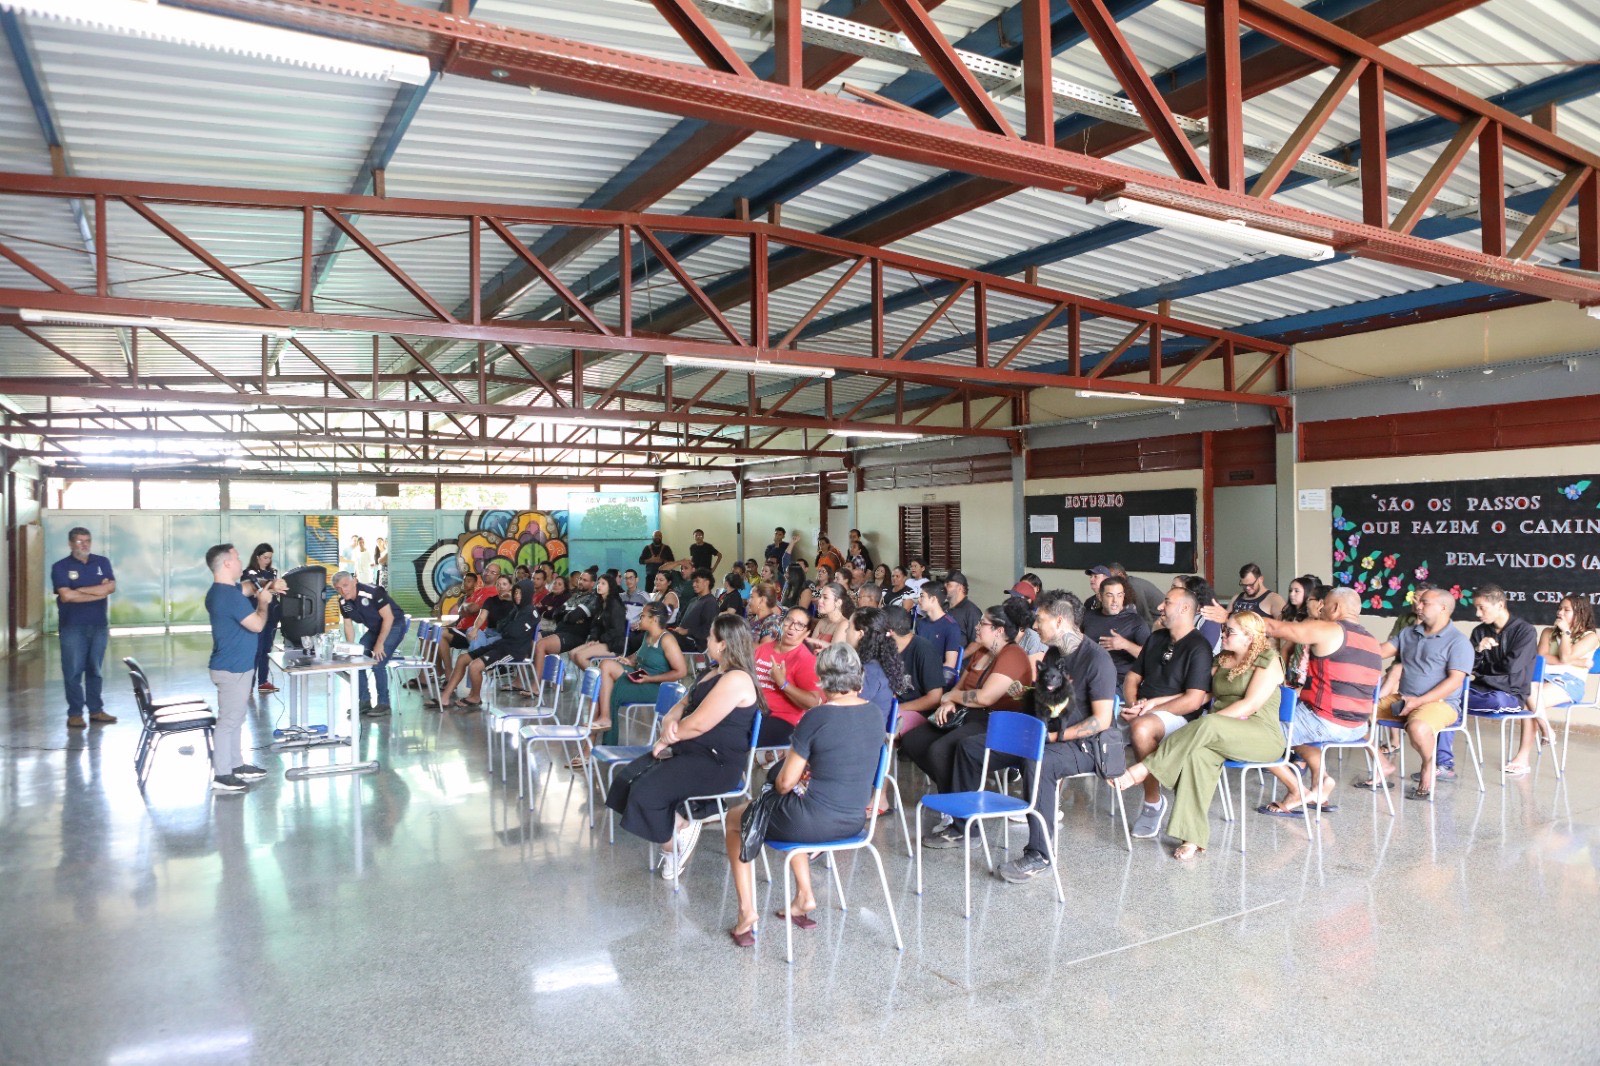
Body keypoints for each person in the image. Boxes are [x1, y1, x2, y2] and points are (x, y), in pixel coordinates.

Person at [929, 590, 1117, 880]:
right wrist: (1027, 694)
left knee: (1038, 762)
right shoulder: (1053, 654)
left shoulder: (1097, 659)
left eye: (1040, 619)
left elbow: (1101, 720)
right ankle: (964, 827)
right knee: (970, 748)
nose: (1034, 626)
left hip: (1084, 745)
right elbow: (1050, 697)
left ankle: (1040, 854)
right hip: (1045, 734)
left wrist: (1052, 738)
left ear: (1059, 621)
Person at [722, 642, 887, 945]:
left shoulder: (817, 717)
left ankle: (746, 912)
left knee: (735, 819)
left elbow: (785, 782)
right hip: (854, 821)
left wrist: (796, 773)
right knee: (792, 805)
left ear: (822, 678)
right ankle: (804, 896)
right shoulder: (875, 714)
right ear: (857, 675)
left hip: (810, 822)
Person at [1112, 611, 1286, 859]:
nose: (1223, 635)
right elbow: (1200, 695)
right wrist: (1154, 704)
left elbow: (1249, 705)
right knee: (1198, 756)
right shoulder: (1222, 659)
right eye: (1224, 629)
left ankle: (1144, 769)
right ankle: (1192, 837)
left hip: (1261, 734)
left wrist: (1212, 722)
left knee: (1209, 723)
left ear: (1249, 637)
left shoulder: (1268, 659)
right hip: (1219, 732)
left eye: (1230, 631)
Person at [606, 615, 760, 880]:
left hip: (716, 763)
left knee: (646, 793)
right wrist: (669, 719)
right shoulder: (713, 670)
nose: (706, 640)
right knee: (627, 781)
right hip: (691, 751)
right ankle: (683, 824)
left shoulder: (737, 679)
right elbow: (683, 704)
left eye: (710, 636)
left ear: (723, 644)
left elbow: (698, 724)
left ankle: (674, 845)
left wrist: (666, 739)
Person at [1257, 587, 1383, 814]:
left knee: (1255, 734)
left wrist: (1233, 618)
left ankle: (1296, 790)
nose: (1321, 609)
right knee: (1298, 733)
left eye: (1325, 605)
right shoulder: (1372, 641)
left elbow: (1276, 628)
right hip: (1358, 727)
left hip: (1325, 721)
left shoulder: (1331, 629)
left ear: (1336, 607)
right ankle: (1321, 781)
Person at [902, 601, 1034, 798]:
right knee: (913, 740)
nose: (976, 627)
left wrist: (951, 696)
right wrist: (949, 702)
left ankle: (958, 801)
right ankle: (953, 794)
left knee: (940, 750)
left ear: (998, 630)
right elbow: (960, 686)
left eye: (982, 623)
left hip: (994, 721)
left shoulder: (1013, 655)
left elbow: (985, 698)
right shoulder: (981, 651)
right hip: (967, 714)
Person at [1356, 587, 1472, 799]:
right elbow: (1380, 652)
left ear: (1443, 608)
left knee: (1417, 728)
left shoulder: (1459, 641)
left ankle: (1429, 765)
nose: (1418, 605)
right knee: (1352, 714)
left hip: (1441, 704)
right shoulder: (1408, 633)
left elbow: (1455, 681)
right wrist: (1349, 640)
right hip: (1403, 699)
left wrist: (1418, 701)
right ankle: (1383, 764)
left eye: (1425, 602)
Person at [1120, 586, 1214, 838]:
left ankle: (1152, 803)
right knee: (1093, 720)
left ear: (1185, 608)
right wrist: (1133, 704)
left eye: (1167, 602)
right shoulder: (1157, 638)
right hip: (1143, 708)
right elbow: (1132, 677)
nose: (1160, 607)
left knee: (1141, 728)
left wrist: (1150, 708)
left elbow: (1193, 701)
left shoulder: (1199, 647)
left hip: (1179, 716)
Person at [202, 543, 282, 792]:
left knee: (236, 718)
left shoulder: (225, 590)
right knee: (228, 721)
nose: (240, 562)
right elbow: (257, 625)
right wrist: (264, 602)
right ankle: (222, 774)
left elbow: (247, 587)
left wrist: (270, 585)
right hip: (232, 669)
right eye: (236, 558)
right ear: (227, 563)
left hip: (236, 666)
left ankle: (235, 765)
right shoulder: (229, 597)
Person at [1456, 584, 1540, 777]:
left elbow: (1511, 667)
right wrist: (1478, 651)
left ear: (1500, 605)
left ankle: (1458, 700)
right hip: (1480, 689)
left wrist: (1483, 670)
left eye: (1482, 608)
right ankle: (1443, 763)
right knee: (1448, 694)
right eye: (1476, 608)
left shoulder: (1525, 631)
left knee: (1495, 701)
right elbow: (1468, 667)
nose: (1478, 613)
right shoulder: (1479, 632)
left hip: (1509, 694)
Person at [1509, 594, 1599, 773]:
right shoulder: (1548, 632)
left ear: (1580, 613)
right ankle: (1547, 729)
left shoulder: (1590, 637)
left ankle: (1523, 758)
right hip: (1543, 679)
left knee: (1529, 702)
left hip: (1570, 683)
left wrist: (1566, 633)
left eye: (1566, 610)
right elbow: (1540, 658)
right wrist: (1578, 662)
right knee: (1529, 693)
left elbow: (1565, 656)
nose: (1560, 613)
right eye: (1559, 608)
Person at [594, 601, 689, 747]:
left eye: (643, 616)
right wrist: (629, 660)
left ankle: (607, 741)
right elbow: (639, 655)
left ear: (654, 619)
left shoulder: (667, 640)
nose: (640, 618)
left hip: (657, 687)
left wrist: (651, 679)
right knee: (605, 665)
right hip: (641, 677)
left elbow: (681, 672)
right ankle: (605, 717)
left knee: (611, 691)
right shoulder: (648, 635)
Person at [437, 580, 540, 711]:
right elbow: (501, 627)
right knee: (462, 659)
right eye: (516, 592)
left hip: (513, 651)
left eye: (520, 593)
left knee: (474, 667)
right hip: (501, 645)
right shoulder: (517, 609)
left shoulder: (531, 613)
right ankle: (444, 698)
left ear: (527, 593)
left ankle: (475, 697)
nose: (517, 596)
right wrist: (508, 627)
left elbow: (513, 632)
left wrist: (508, 627)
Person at [53, 527, 117, 729]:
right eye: (80, 541)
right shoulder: (60, 567)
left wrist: (79, 590)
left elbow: (111, 587)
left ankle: (96, 710)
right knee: (73, 671)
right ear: (71, 543)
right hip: (72, 627)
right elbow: (66, 596)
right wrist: (98, 592)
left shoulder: (101, 562)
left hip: (98, 625)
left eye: (87, 540)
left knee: (95, 670)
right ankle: (75, 714)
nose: (84, 545)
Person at [332, 569, 409, 717]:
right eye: (338, 588)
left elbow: (389, 618)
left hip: (394, 625)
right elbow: (348, 625)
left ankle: (384, 704)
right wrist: (350, 649)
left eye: (345, 585)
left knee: (378, 661)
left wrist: (379, 644)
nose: (343, 590)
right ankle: (364, 702)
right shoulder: (343, 602)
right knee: (356, 660)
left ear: (355, 581)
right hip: (375, 628)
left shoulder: (373, 592)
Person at [754, 607, 824, 747]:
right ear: (782, 622)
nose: (792, 627)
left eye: (799, 625)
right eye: (789, 620)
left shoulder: (806, 660)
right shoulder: (763, 648)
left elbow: (813, 702)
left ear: (807, 633)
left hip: (780, 718)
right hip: (752, 710)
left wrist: (783, 683)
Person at [885, 605, 946, 734]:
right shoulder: (887, 648)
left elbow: (935, 698)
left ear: (889, 631)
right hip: (892, 705)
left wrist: (897, 708)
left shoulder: (924, 650)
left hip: (916, 711)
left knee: (878, 727)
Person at [1082, 575, 1149, 684]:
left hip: (1119, 680)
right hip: (1089, 675)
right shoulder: (1087, 617)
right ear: (1100, 597)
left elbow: (1150, 657)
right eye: (1110, 595)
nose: (1115, 601)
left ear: (1123, 597)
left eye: (1119, 595)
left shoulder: (1135, 621)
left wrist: (1126, 645)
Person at [533, 570, 598, 679]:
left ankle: (537, 683)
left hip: (575, 636)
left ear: (592, 583)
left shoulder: (592, 599)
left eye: (585, 580)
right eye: (580, 579)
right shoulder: (574, 596)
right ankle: (554, 676)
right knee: (533, 639)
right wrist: (568, 615)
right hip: (560, 631)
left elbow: (572, 617)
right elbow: (556, 613)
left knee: (542, 645)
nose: (581, 582)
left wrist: (566, 614)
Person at [243, 544, 283, 694]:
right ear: (257, 557)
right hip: (256, 615)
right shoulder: (249, 573)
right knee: (256, 650)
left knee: (266, 649)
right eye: (265, 557)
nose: (267, 561)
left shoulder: (272, 572)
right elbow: (254, 589)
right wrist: (271, 588)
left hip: (271, 616)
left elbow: (273, 589)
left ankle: (263, 681)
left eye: (270, 558)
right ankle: (248, 684)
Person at [570, 573, 629, 670]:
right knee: (572, 654)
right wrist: (593, 639)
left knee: (580, 656)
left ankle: (599, 678)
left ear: (610, 587)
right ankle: (592, 676)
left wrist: (600, 640)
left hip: (614, 644)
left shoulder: (615, 605)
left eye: (603, 583)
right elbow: (595, 625)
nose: (599, 585)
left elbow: (617, 631)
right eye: (599, 583)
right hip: (602, 641)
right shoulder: (600, 602)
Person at [915, 584, 963, 674]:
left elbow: (949, 665)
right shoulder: (921, 623)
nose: (919, 600)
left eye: (922, 596)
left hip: (936, 674)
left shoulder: (951, 626)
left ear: (933, 599)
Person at [672, 568, 719, 653]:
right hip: (683, 637)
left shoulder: (710, 602)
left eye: (697, 581)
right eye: (693, 582)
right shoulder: (693, 600)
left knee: (665, 638)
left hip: (696, 643)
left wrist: (686, 631)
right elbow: (680, 619)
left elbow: (709, 629)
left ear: (707, 582)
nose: (693, 585)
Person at [943, 570, 983, 647]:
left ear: (960, 588)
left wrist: (961, 655)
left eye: (948, 585)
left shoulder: (971, 611)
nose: (944, 587)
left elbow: (977, 643)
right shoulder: (942, 607)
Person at [808, 583, 852, 648]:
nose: (819, 600)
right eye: (820, 597)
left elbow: (833, 652)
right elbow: (810, 647)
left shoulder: (844, 624)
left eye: (825, 598)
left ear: (838, 603)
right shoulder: (822, 622)